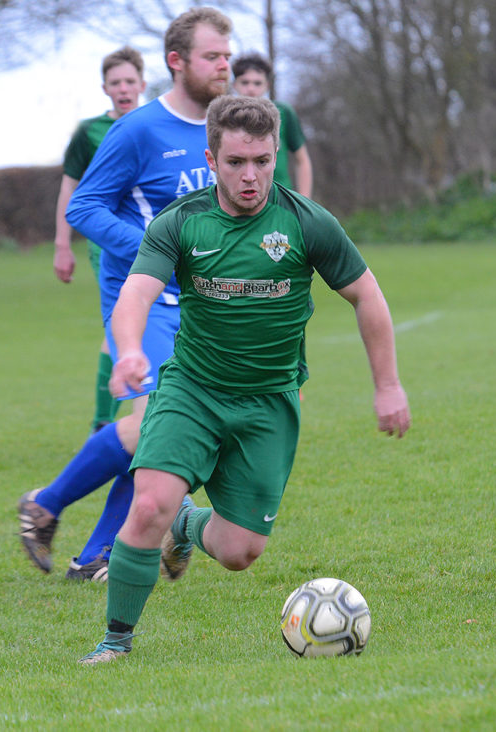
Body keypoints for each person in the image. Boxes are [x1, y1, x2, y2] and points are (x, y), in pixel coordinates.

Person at [78, 95, 410, 664]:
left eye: (261, 160)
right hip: (192, 390)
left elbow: (367, 296)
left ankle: (186, 524)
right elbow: (136, 293)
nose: (251, 175)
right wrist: (130, 349)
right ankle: (116, 641)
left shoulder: (307, 222)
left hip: (269, 404)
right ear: (211, 158)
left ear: (275, 153)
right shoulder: (180, 223)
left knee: (239, 552)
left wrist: (387, 385)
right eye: (236, 162)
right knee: (149, 502)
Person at [17, 7, 233, 582]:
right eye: (213, 55)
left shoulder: (223, 127)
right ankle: (48, 504)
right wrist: (154, 249)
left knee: (159, 433)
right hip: (143, 303)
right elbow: (84, 206)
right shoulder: (137, 130)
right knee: (155, 425)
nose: (224, 65)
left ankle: (93, 555)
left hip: (197, 307)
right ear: (176, 61)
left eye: (227, 55)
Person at [53, 46, 147, 434]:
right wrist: (62, 244)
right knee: (121, 324)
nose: (123, 89)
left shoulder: (155, 124)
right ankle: (105, 422)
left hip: (155, 240)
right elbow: (70, 190)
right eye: (115, 83)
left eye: (130, 81)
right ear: (104, 88)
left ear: (142, 84)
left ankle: (141, 418)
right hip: (107, 243)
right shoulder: (89, 132)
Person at [231, 52, 313, 197]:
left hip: (280, 201)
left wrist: (304, 204)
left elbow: (302, 160)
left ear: (267, 85)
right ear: (234, 84)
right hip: (239, 201)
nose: (251, 89)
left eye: (257, 83)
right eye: (245, 82)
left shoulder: (283, 112)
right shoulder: (225, 117)